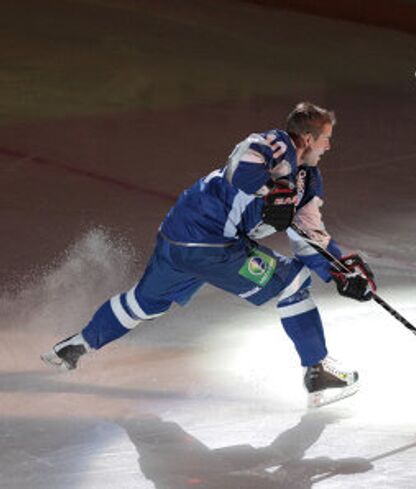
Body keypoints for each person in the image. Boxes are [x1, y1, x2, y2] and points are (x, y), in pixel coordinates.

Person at [41, 102, 376, 407]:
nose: (329, 146)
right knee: (292, 285)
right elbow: (241, 164)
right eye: (325, 138)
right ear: (306, 138)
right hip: (213, 244)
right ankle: (318, 373)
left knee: (144, 303)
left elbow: (310, 238)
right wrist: (274, 190)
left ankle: (76, 346)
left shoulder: (309, 182)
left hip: (179, 236)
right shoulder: (278, 144)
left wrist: (340, 271)